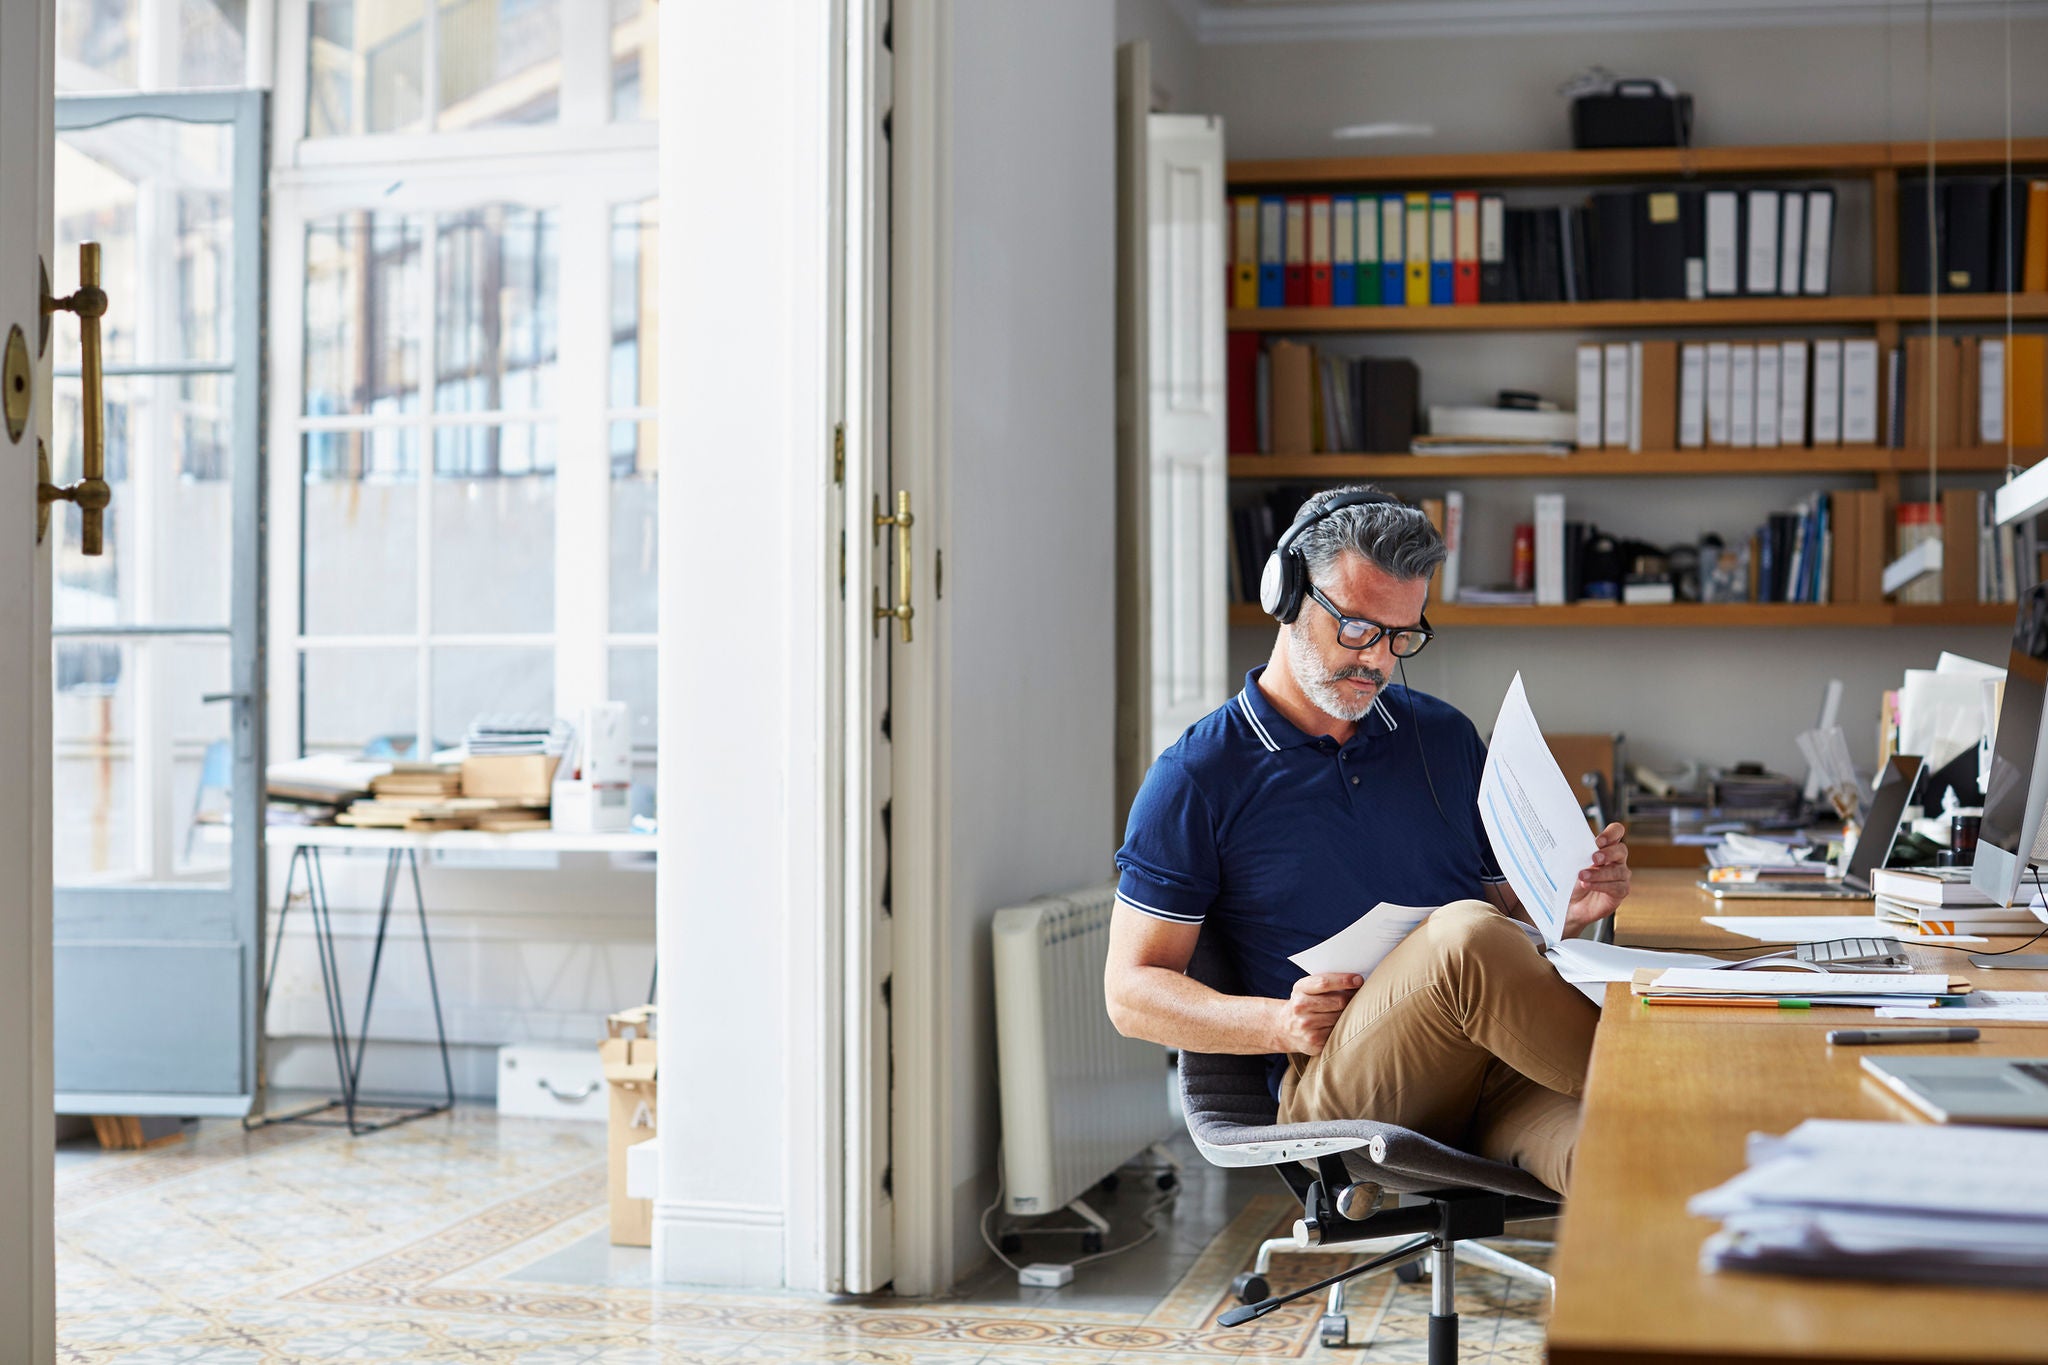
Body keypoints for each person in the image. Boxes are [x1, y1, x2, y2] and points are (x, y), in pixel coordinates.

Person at [1103, 486, 1630, 1195]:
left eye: (1400, 635)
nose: (1378, 660)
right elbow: (1129, 992)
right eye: (1356, 627)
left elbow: (1510, 916)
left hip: (1494, 1074)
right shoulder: (1197, 776)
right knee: (1465, 936)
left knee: (1634, 1156)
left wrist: (1566, 904)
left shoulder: (1442, 738)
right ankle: (1677, 1078)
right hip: (1348, 1096)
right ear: (1288, 593)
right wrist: (1279, 1023)